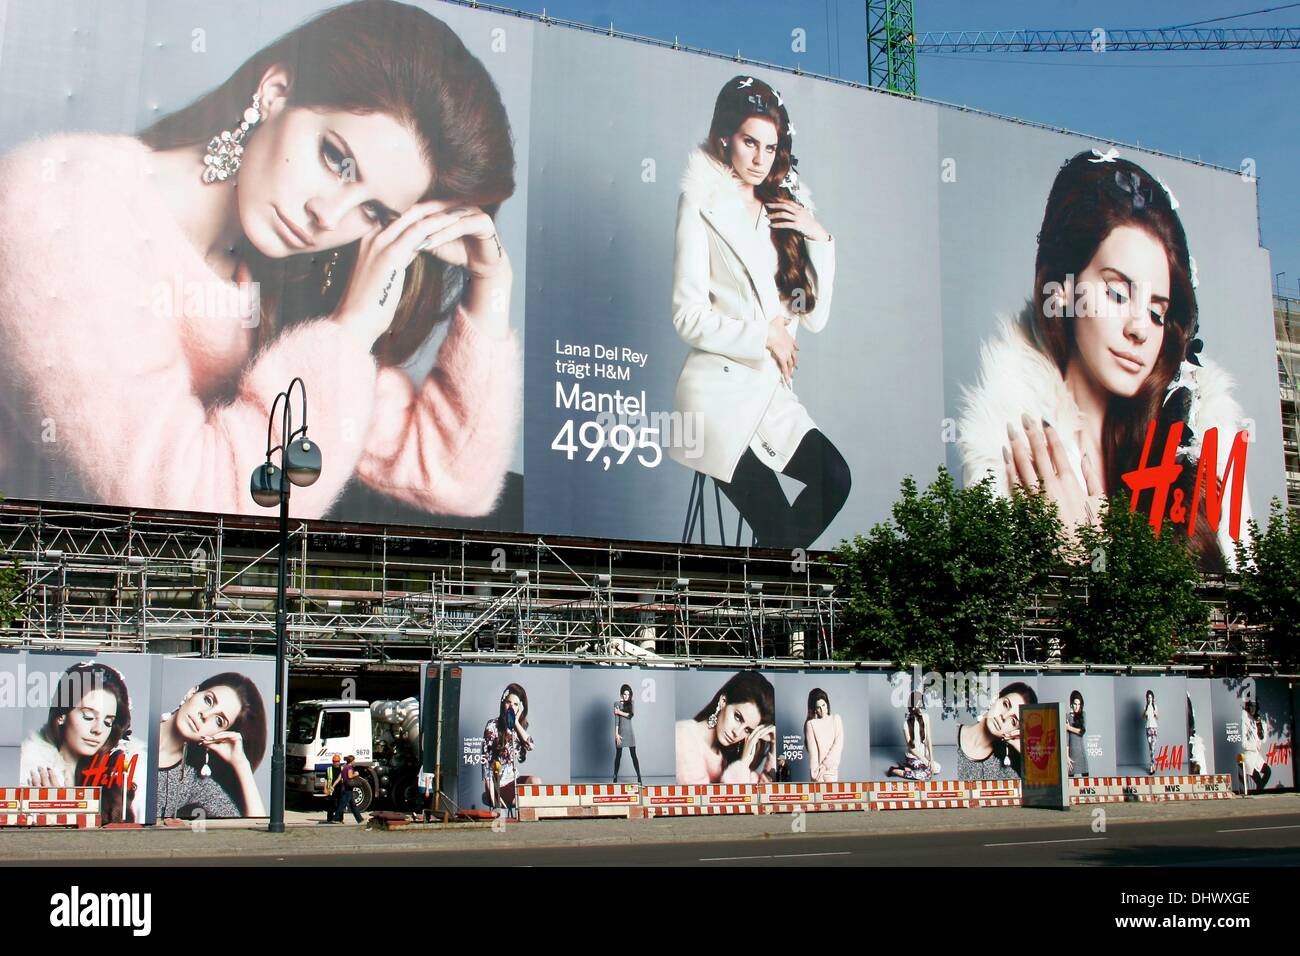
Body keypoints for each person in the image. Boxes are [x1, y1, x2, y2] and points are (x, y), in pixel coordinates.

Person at [0, 0, 521, 522]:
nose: (327, 215)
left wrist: (490, 287)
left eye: (373, 210)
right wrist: (351, 329)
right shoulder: (65, 207)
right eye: (335, 159)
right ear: (274, 92)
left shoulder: (289, 282)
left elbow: (451, 479)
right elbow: (188, 510)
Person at [957, 149, 1251, 571]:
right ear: (1061, 290)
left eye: (1157, 311)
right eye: (1117, 292)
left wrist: (1090, 556)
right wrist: (1078, 561)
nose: (1139, 328)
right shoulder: (1008, 450)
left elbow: (1241, 625)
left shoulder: (1206, 451)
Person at [667, 75, 849, 549]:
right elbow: (687, 316)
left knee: (834, 479)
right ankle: (760, 614)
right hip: (714, 399)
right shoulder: (700, 203)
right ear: (726, 135)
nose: (758, 158)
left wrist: (819, 239)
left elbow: (813, 315)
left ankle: (754, 603)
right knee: (778, 529)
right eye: (750, 142)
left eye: (770, 148)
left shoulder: (784, 209)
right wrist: (763, 334)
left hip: (770, 395)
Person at [20, 661, 145, 823]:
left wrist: (64, 811)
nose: (98, 729)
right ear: (61, 715)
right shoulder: (29, 770)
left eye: (108, 722)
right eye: (88, 716)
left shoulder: (120, 776)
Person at [156, 672, 268, 819]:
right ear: (191, 693)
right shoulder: (133, 723)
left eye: (219, 721)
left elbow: (256, 825)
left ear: (220, 735)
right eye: (208, 700)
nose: (205, 715)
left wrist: (241, 764)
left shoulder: (193, 781)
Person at [675, 671, 776, 784]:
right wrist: (743, 764)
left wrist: (774, 746)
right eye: (738, 717)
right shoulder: (684, 737)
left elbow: (765, 794)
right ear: (723, 701)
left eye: (747, 730)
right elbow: (706, 801)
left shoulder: (726, 757)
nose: (737, 733)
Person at [956, 682, 1038, 781]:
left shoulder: (1008, 770)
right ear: (995, 698)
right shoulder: (950, 736)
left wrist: (1022, 749)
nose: (1004, 716)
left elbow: (1044, 790)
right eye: (1005, 705)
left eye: (1013, 720)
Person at [481, 683, 537, 811]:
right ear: (503, 704)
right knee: (518, 800)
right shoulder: (492, 725)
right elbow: (486, 761)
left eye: (516, 704)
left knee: (536, 781)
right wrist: (492, 792)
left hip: (513, 780)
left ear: (520, 708)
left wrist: (516, 722)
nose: (511, 707)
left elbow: (531, 746)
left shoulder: (519, 728)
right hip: (498, 783)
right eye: (508, 702)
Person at [887, 690, 937, 781]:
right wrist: (925, 761)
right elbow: (911, 748)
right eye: (918, 704)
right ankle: (895, 771)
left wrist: (931, 760)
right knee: (928, 774)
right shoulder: (906, 724)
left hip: (923, 755)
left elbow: (929, 739)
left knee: (937, 768)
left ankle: (905, 768)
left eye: (921, 704)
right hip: (913, 756)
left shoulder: (926, 717)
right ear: (913, 706)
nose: (921, 707)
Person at [803, 688, 843, 782]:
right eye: (818, 707)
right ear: (814, 709)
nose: (822, 709)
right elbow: (813, 753)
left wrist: (825, 765)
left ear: (827, 704)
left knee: (832, 796)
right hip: (817, 773)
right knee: (818, 796)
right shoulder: (811, 724)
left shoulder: (836, 719)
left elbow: (838, 746)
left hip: (831, 771)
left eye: (824, 705)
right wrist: (815, 776)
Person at [612, 683, 642, 785]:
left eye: (628, 695)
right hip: (620, 733)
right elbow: (616, 721)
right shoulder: (616, 703)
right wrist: (616, 734)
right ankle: (615, 775)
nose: (626, 697)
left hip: (630, 733)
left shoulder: (631, 703)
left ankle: (639, 776)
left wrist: (619, 712)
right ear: (621, 694)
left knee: (633, 755)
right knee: (618, 755)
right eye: (624, 694)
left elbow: (630, 715)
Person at [1240, 699, 1271, 792]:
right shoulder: (1245, 720)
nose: (1253, 709)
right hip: (1249, 757)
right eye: (1251, 707)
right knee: (1259, 782)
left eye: (1254, 707)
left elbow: (1263, 739)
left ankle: (1259, 793)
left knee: (1268, 771)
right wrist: (1254, 746)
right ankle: (1259, 795)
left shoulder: (1259, 720)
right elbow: (1244, 744)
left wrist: (1260, 725)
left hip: (1257, 756)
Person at [332, 754, 364, 824]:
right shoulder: (349, 768)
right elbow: (350, 776)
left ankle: (360, 819)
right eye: (354, 760)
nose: (355, 762)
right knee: (342, 805)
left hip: (345, 788)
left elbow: (338, 778)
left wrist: (333, 786)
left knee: (353, 806)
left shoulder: (344, 768)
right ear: (351, 761)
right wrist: (356, 774)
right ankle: (335, 818)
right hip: (347, 789)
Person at [1066, 690, 1089, 778]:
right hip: (1071, 753)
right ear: (1071, 703)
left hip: (1081, 752)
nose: (1077, 707)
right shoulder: (1067, 716)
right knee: (1071, 781)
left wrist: (1068, 727)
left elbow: (1082, 731)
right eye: (1075, 704)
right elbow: (1066, 738)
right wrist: (1067, 756)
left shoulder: (1083, 714)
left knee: (1086, 779)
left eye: (1079, 704)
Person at [321, 753, 342, 823]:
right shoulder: (329, 769)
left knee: (340, 804)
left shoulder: (342, 769)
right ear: (333, 762)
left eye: (338, 761)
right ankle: (329, 819)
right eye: (335, 761)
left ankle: (340, 819)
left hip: (340, 788)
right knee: (331, 804)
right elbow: (326, 779)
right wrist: (325, 788)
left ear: (339, 761)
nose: (336, 763)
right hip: (331, 789)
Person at [1143, 689, 1159, 774]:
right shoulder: (1145, 707)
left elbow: (1157, 717)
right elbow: (1143, 718)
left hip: (1154, 728)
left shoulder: (1155, 706)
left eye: (1151, 697)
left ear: (1153, 698)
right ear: (1147, 698)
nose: (1150, 699)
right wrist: (1144, 713)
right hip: (1148, 728)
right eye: (1148, 697)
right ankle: (1153, 766)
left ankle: (1151, 766)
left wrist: (1155, 713)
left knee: (1153, 748)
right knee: (1150, 748)